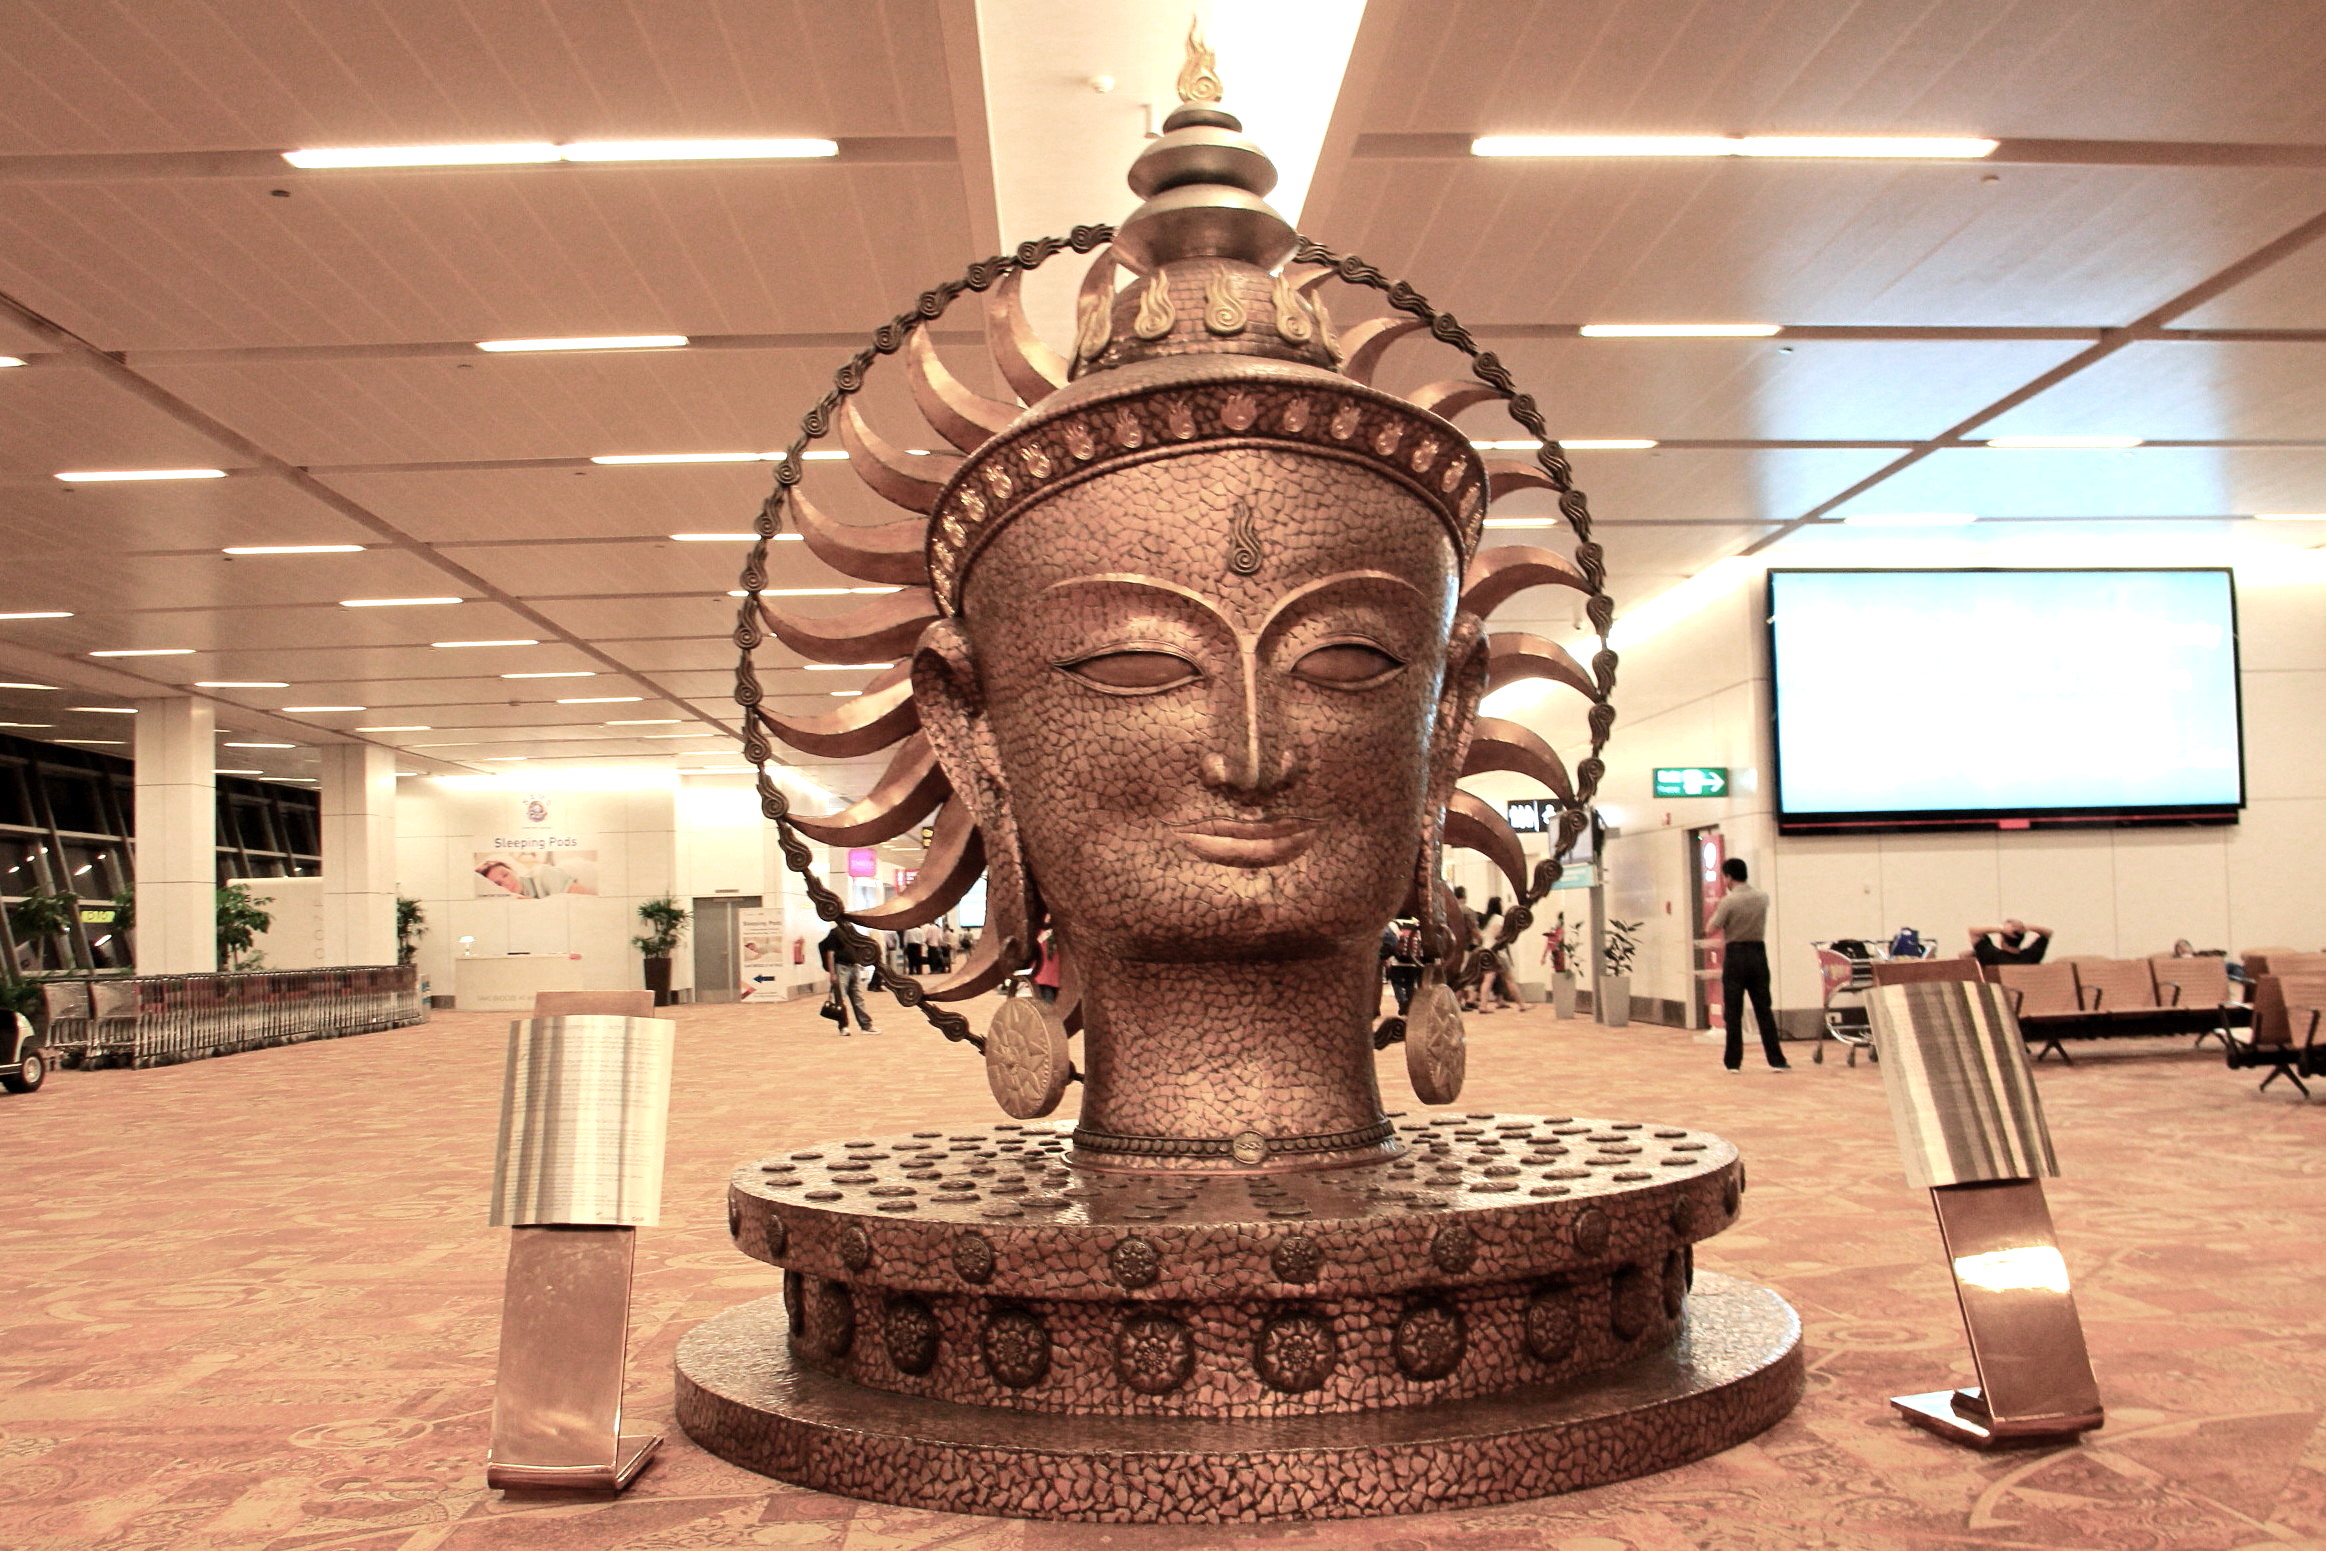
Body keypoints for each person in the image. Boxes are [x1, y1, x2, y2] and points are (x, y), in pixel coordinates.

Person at [1707, 857, 1788, 1072]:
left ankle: (1733, 1062)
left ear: (1729, 877)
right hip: (1758, 954)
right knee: (1763, 1008)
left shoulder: (1728, 901)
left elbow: (1711, 928)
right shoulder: (1762, 897)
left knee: (1733, 1011)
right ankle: (1776, 1060)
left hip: (1735, 955)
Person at [817, 923, 878, 1035]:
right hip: (841, 967)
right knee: (840, 998)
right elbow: (830, 954)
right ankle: (843, 1026)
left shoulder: (851, 932)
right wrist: (832, 973)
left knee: (857, 997)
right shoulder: (835, 933)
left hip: (854, 967)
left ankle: (866, 1025)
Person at [1382, 917, 1423, 1016]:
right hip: (1412, 961)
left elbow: (1389, 943)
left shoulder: (1393, 924)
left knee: (1396, 983)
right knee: (1410, 984)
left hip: (1397, 961)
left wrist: (1385, 958)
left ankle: (1402, 1002)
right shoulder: (1416, 922)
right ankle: (1409, 1005)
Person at [1968, 919, 2052, 966]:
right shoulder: (2031, 956)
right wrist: (2026, 927)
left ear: (2002, 938)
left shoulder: (1992, 956)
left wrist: (2002, 929)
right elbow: (2048, 933)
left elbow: (1973, 932)